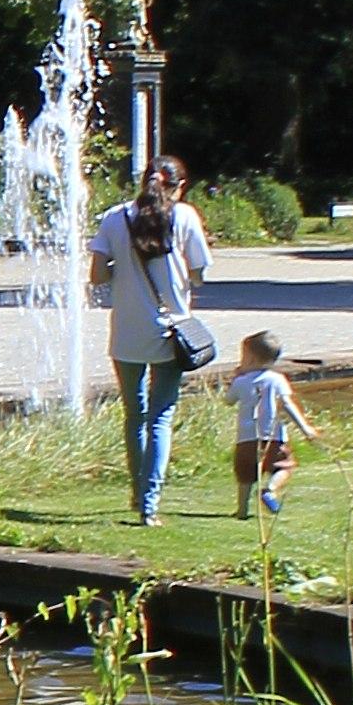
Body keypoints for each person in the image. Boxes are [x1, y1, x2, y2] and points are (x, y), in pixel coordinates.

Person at [92, 157, 215, 523]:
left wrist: (125, 266)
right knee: (161, 417)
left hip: (127, 333)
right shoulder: (186, 217)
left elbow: (97, 275)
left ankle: (136, 491)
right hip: (170, 333)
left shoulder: (115, 218)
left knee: (135, 415)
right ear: (179, 186)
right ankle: (150, 504)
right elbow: (198, 276)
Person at [225, 330, 317, 516]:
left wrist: (235, 379)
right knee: (284, 466)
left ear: (249, 358)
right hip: (273, 436)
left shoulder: (241, 382)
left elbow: (228, 401)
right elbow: (287, 405)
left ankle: (241, 510)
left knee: (245, 476)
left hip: (246, 438)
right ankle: (270, 489)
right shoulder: (277, 380)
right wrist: (305, 428)